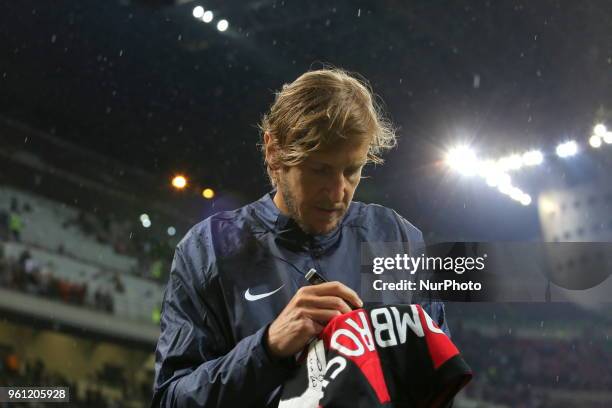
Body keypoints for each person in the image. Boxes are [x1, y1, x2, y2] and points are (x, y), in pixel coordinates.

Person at [152, 68, 448, 407]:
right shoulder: (207, 251)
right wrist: (267, 348)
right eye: (320, 169)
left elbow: (437, 385)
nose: (338, 191)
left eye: (352, 170)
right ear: (274, 151)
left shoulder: (398, 239)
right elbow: (169, 400)